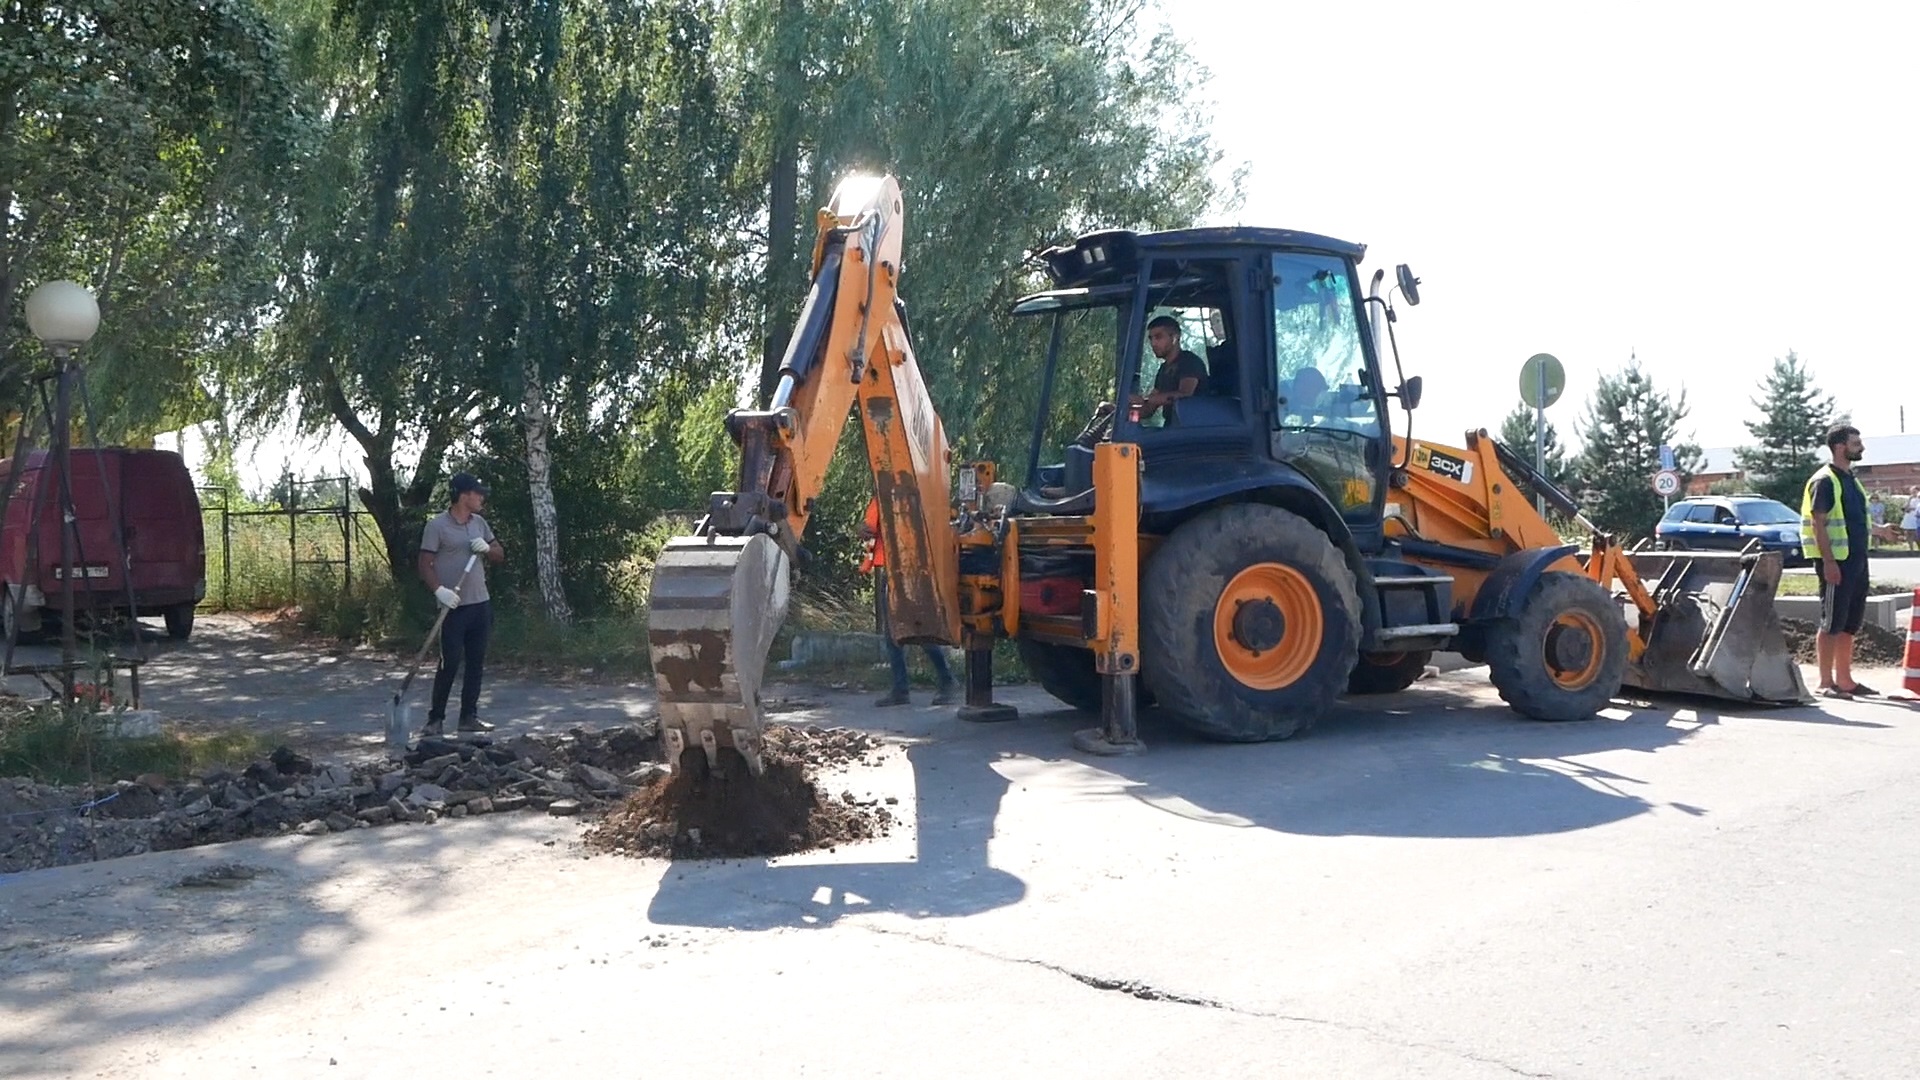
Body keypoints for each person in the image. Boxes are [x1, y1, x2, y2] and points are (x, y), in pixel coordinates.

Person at [1803, 426, 1896, 699]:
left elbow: (1856, 521)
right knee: (1831, 621)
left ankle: (1845, 681)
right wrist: (1829, 563)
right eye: (1856, 443)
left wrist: (1880, 530)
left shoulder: (1851, 480)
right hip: (1837, 564)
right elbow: (1818, 524)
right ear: (1840, 447)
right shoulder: (1824, 480)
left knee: (1849, 623)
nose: (1862, 447)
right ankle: (1824, 682)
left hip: (1857, 561)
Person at [417, 472, 505, 734]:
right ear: (463, 495)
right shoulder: (437, 526)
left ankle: (469, 718)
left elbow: (500, 554)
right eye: (478, 493)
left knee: (476, 663)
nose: (481, 498)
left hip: (480, 604)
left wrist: (488, 550)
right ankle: (435, 720)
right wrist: (438, 591)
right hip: (453, 607)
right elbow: (425, 563)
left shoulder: (479, 523)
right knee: (450, 662)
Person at [860, 496, 957, 707]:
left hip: (913, 571)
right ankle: (901, 689)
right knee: (892, 634)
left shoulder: (912, 498)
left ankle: (947, 681)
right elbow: (872, 530)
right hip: (893, 570)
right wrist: (865, 532)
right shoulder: (881, 498)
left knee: (920, 630)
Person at [1130, 315, 1207, 423]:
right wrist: (1117, 412)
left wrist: (1145, 399)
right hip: (1171, 429)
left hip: (1191, 429)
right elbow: (1148, 410)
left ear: (1175, 337)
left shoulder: (1190, 362)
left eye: (1158, 337)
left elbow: (1185, 395)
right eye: (1151, 338)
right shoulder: (1163, 370)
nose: (1153, 344)